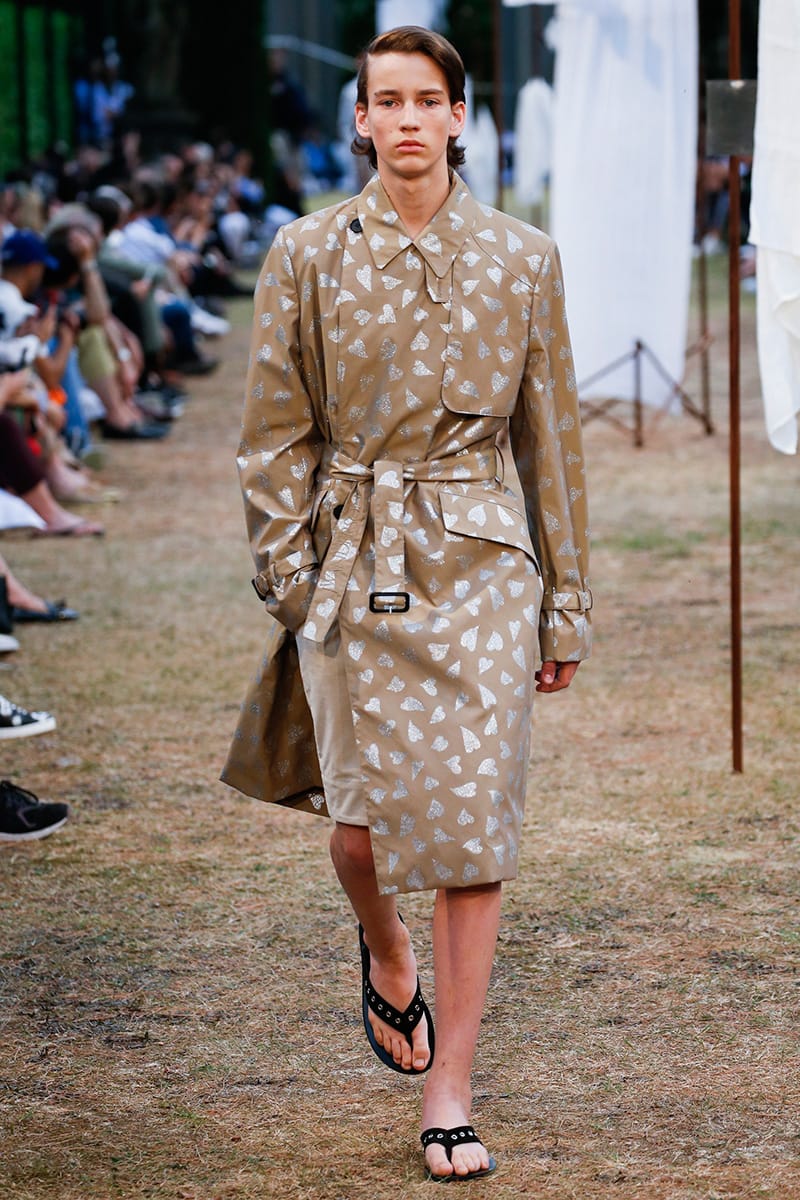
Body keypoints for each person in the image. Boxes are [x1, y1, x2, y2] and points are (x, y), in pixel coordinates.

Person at [223, 26, 592, 1183]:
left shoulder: (523, 259)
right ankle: (385, 948)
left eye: (426, 99)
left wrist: (564, 603)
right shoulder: (305, 252)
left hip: (481, 563)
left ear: (456, 117)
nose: (406, 119)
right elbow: (271, 435)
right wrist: (287, 574)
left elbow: (551, 443)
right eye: (385, 100)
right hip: (350, 553)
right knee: (358, 832)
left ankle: (449, 1093)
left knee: (472, 834)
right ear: (361, 120)